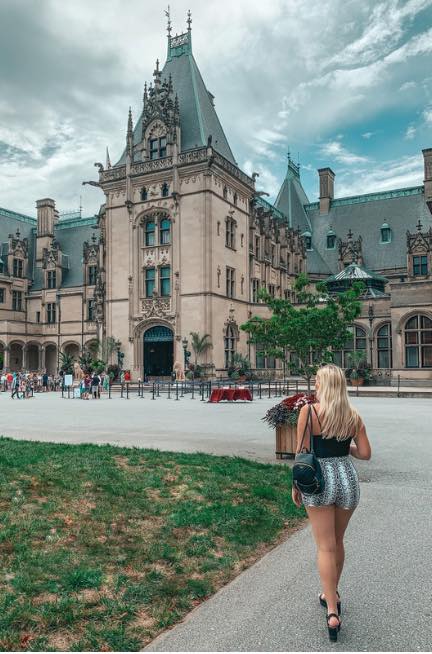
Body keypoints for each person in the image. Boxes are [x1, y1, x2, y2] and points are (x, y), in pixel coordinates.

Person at [292, 364, 371, 642]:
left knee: (324, 546)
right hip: (347, 479)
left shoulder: (309, 412)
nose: (314, 385)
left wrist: (295, 485)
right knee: (337, 542)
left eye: (317, 381)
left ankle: (332, 609)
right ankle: (331, 592)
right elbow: (364, 453)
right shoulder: (353, 416)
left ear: (323, 385)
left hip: (319, 480)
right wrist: (343, 447)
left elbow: (302, 452)